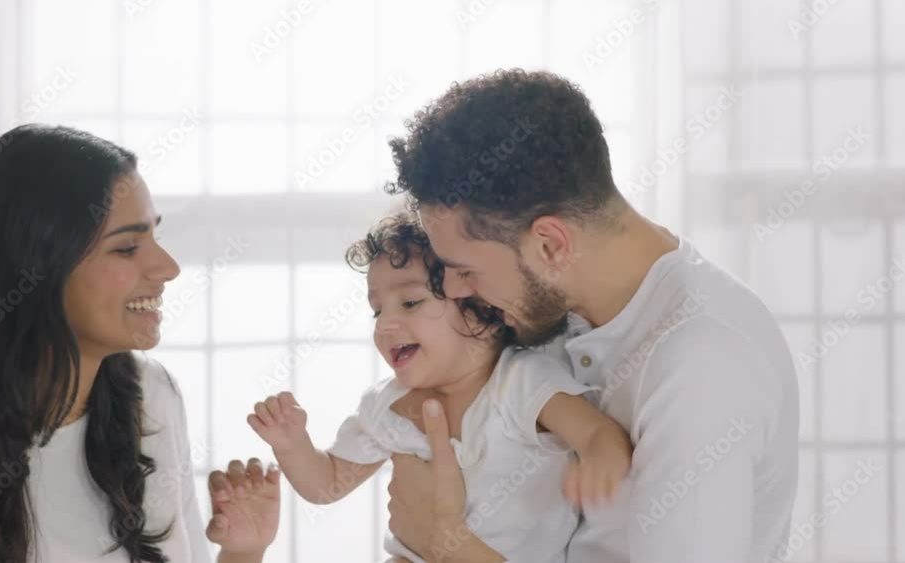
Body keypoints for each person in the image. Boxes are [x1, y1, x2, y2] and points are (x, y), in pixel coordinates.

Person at [381, 69, 800, 562]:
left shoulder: (701, 366)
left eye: (466, 270)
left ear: (550, 244)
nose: (452, 290)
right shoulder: (554, 314)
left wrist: (445, 544)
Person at [0, 124, 274, 563]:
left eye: (154, 237)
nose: (168, 267)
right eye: (126, 248)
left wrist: (244, 551)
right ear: (37, 265)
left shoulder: (151, 397)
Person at [246, 213, 632, 562]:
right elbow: (327, 484)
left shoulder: (519, 382)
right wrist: (292, 444)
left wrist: (600, 461)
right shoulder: (389, 404)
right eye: (377, 310)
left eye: (410, 302)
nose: (385, 325)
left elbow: (597, 431)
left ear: (485, 313)